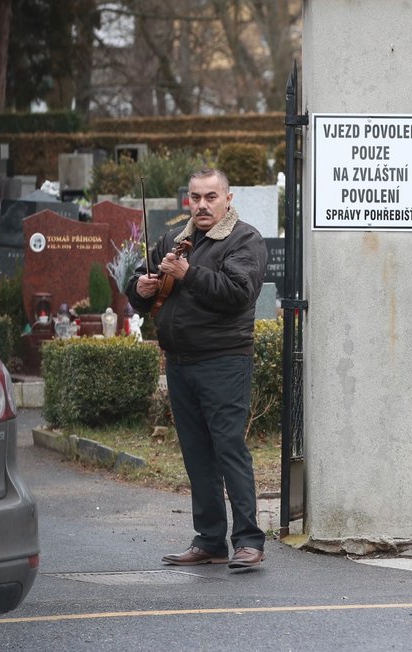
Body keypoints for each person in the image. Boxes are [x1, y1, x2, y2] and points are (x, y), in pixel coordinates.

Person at [126, 168, 268, 571]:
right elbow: (141, 280)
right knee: (197, 456)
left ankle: (248, 541)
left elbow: (238, 294)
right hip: (180, 362)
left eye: (210, 197)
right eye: (195, 197)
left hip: (224, 360)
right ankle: (209, 540)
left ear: (228, 198)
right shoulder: (175, 238)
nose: (202, 205)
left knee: (229, 451)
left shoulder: (245, 239)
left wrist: (188, 274)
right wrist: (140, 288)